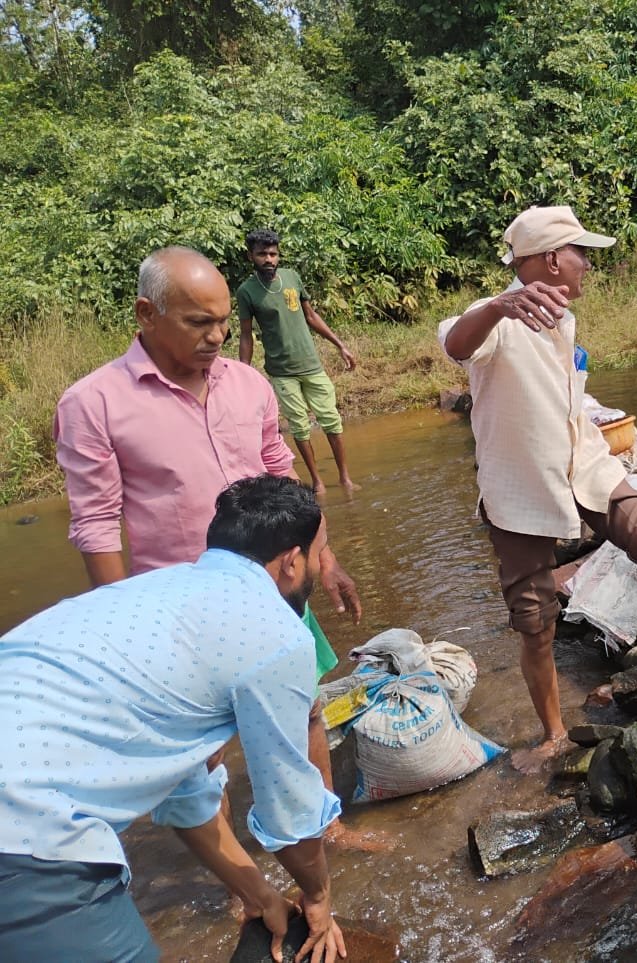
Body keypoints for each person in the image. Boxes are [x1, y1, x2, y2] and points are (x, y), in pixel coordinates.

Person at [53, 245, 374, 848]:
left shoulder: (248, 385)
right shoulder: (94, 404)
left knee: (302, 712)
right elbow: (97, 524)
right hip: (178, 611)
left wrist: (323, 559)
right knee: (202, 750)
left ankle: (324, 828)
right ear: (147, 314)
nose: (218, 336)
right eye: (199, 323)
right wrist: (123, 629)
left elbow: (283, 476)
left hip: (276, 590)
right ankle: (238, 884)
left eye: (224, 321)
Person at [0, 475, 347, 963]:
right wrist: (318, 896)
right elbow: (290, 811)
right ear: (292, 561)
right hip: (23, 823)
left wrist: (261, 896)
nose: (317, 565)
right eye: (319, 552)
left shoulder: (159, 599)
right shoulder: (277, 634)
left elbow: (188, 798)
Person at [438, 205, 637, 772]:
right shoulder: (497, 316)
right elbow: (455, 341)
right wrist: (499, 307)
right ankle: (553, 734)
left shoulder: (562, 315)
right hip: (521, 491)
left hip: (587, 468)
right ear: (551, 258)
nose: (588, 267)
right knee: (535, 624)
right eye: (582, 255)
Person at [236, 227, 358, 496]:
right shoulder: (247, 291)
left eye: (273, 254)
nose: (268, 259)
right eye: (262, 254)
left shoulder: (292, 278)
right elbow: (246, 335)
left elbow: (311, 316)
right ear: (251, 257)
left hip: (311, 364)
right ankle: (317, 481)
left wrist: (341, 346)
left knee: (331, 420)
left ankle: (345, 477)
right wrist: (242, 375)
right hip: (281, 371)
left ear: (278, 255)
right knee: (300, 427)